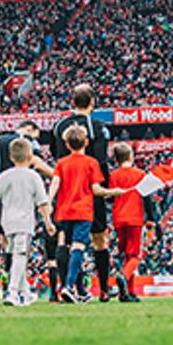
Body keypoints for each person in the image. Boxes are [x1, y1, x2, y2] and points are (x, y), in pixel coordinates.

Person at [49, 125, 129, 303]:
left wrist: (48, 201)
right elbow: (96, 189)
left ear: (67, 145)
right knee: (79, 248)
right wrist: (113, 191)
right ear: (86, 142)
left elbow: (55, 183)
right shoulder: (91, 163)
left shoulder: (61, 163)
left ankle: (81, 291)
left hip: (64, 210)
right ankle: (68, 286)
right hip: (83, 210)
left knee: (68, 248)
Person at [47, 85, 110, 298]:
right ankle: (103, 290)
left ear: (72, 103)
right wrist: (105, 191)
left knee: (64, 239)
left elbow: (55, 155)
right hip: (90, 192)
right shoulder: (97, 127)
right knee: (98, 240)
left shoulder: (59, 126)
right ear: (92, 102)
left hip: (65, 192)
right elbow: (102, 162)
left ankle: (66, 288)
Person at [0, 137, 51, 307]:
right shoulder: (33, 177)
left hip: (6, 222)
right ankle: (13, 292)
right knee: (20, 255)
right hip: (24, 221)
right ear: (31, 157)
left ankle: (26, 292)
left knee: (17, 255)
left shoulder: (4, 176)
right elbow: (42, 203)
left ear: (11, 157)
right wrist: (48, 223)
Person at [105, 143, 148, 303]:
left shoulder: (113, 175)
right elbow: (147, 197)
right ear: (131, 156)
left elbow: (109, 197)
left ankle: (128, 293)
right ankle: (123, 277)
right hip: (135, 217)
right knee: (136, 255)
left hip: (119, 218)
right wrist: (152, 219)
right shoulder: (140, 174)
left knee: (127, 255)